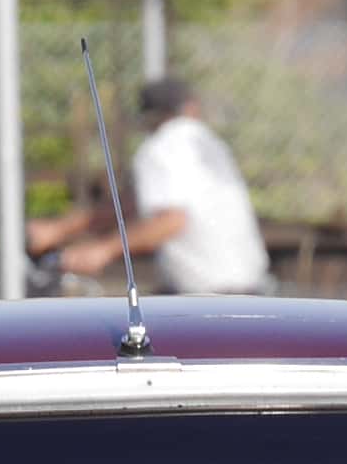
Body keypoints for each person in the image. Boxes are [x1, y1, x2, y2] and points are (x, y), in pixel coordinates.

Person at [29, 76, 272, 299]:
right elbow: (134, 203)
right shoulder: (209, 143)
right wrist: (61, 228)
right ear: (191, 108)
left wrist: (102, 251)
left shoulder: (160, 149)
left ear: (148, 117)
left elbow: (171, 221)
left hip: (209, 300)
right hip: (252, 290)